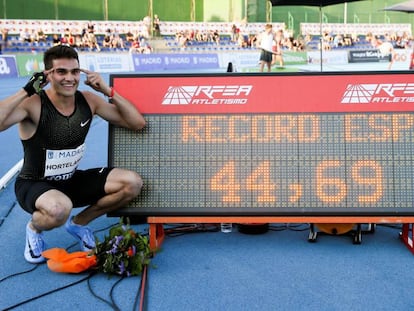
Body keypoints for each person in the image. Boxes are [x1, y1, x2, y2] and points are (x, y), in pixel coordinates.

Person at [0, 45, 146, 264]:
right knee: (59, 209)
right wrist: (26, 90)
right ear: (47, 74)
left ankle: (78, 224)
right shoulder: (33, 104)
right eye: (61, 72)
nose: (70, 78)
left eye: (75, 71)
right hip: (34, 184)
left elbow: (137, 123)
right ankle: (34, 228)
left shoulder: (89, 100)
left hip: (70, 180)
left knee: (132, 183)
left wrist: (107, 91)